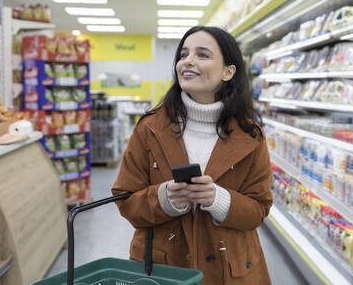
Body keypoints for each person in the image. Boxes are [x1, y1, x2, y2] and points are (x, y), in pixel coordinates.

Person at [112, 26, 273, 284]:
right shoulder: (150, 129)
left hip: (230, 271)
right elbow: (126, 200)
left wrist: (218, 199)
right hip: (164, 269)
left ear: (228, 71)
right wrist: (164, 198)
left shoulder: (251, 135)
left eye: (202, 55)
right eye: (184, 54)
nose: (188, 61)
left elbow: (258, 209)